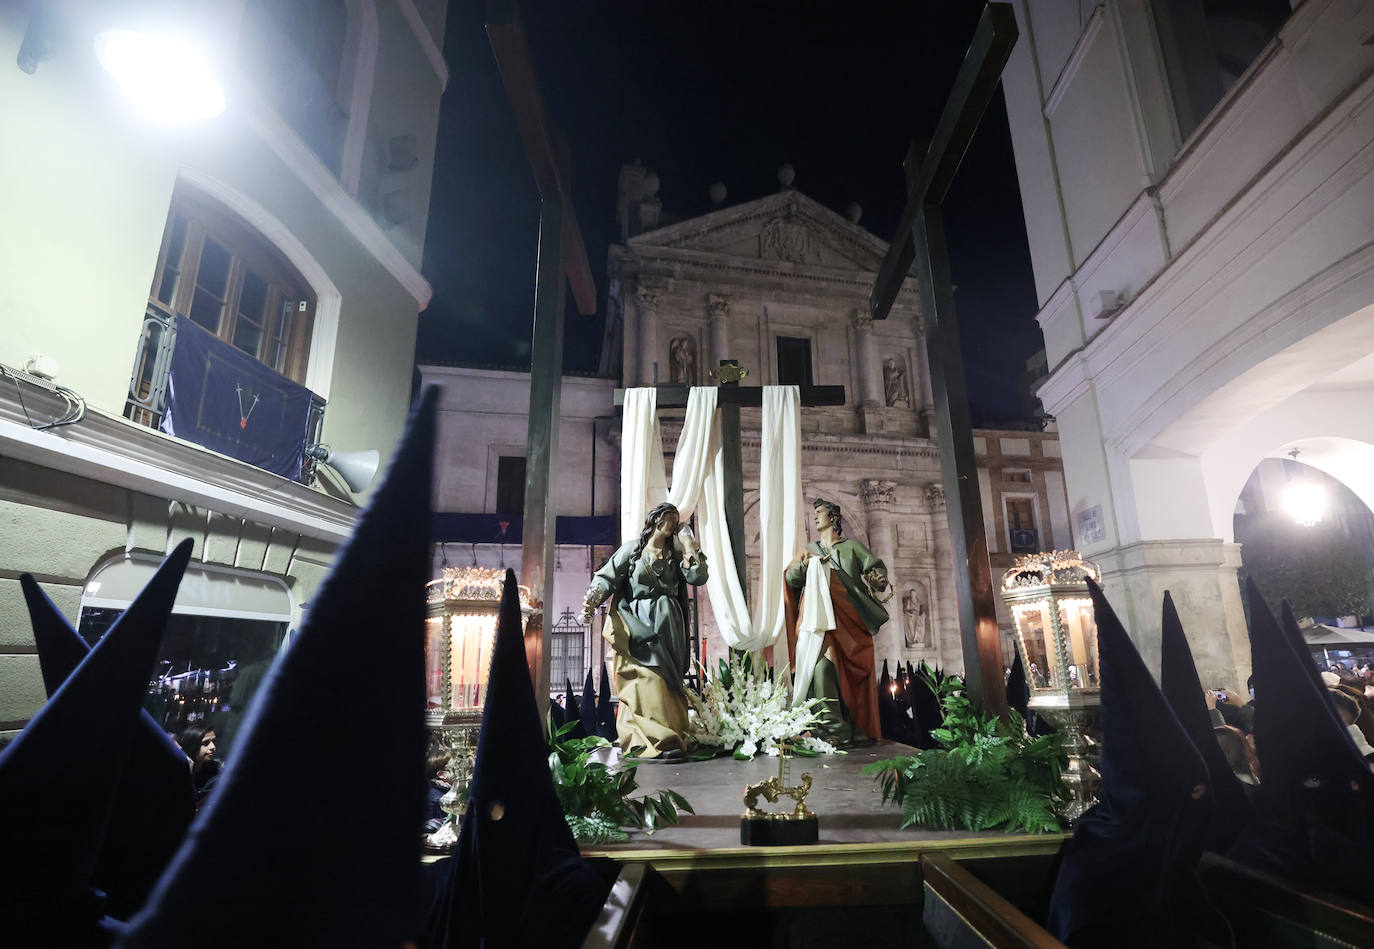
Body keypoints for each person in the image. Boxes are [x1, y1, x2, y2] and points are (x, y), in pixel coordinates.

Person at [581, 502, 707, 760]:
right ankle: (654, 741)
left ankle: (673, 734)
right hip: (640, 626)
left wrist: (690, 546)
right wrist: (593, 599)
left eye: (675, 521)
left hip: (669, 627)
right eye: (667, 518)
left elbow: (698, 577)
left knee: (669, 683)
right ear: (654, 520)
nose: (671, 524)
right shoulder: (633, 552)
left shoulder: (675, 554)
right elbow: (607, 577)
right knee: (648, 681)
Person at [784, 497, 889, 744]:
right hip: (818, 621)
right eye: (815, 513)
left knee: (842, 674)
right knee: (820, 668)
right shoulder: (810, 551)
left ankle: (847, 727)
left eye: (820, 512)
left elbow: (875, 570)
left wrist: (878, 579)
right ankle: (831, 728)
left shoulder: (851, 548)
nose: (816, 517)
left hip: (847, 622)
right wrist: (805, 566)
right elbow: (790, 580)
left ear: (833, 518)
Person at [177, 724, 220, 810]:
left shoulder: (216, 771)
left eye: (213, 742)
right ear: (192, 745)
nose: (213, 747)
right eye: (205, 743)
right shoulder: (177, 772)